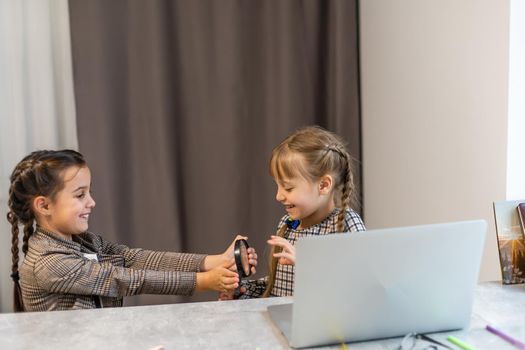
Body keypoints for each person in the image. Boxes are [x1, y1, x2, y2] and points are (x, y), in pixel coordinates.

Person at [7, 149, 257, 312]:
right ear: (44, 205)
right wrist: (203, 282)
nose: (91, 202)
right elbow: (123, 279)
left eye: (89, 192)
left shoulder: (84, 241)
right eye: (80, 195)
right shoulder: (48, 263)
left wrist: (216, 262)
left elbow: (134, 259)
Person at [221, 125, 365, 299]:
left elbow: (360, 287)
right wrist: (241, 291)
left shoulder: (348, 224)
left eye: (288, 188)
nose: (278, 196)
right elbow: (277, 287)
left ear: (324, 185)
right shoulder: (288, 223)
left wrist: (306, 264)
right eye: (278, 186)